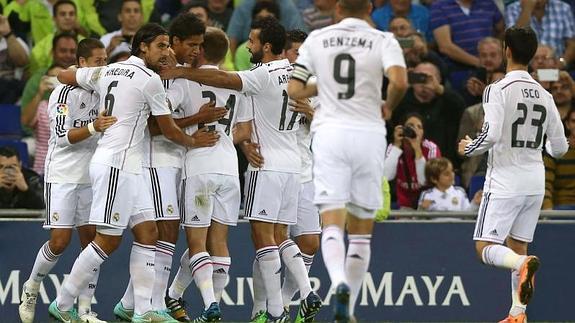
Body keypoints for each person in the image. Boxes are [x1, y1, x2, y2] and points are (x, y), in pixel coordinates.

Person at [48, 23, 218, 323]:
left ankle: (141, 310)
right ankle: (62, 304)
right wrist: (193, 141)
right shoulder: (149, 80)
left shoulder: (108, 70)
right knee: (107, 241)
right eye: (161, 46)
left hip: (128, 166)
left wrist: (77, 82)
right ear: (144, 47)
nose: (166, 53)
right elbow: (166, 128)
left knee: (148, 232)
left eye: (167, 46)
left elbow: (64, 75)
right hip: (116, 165)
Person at [161, 16, 322, 323]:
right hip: (290, 168)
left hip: (261, 165)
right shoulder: (298, 77)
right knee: (276, 237)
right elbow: (244, 126)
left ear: (268, 46)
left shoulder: (257, 77)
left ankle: (274, 310)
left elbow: (224, 81)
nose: (248, 45)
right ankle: (304, 292)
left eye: (252, 41)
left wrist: (181, 72)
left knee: (258, 240)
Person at [287, 0, 408, 321]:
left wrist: (324, 84)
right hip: (368, 134)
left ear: (338, 9)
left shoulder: (317, 39)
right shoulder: (384, 40)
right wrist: (389, 106)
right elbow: (399, 81)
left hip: (329, 135)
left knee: (331, 222)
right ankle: (349, 306)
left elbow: (294, 89)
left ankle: (338, 281)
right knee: (360, 233)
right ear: (369, 8)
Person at [458, 26, 568, 323]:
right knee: (517, 243)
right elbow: (559, 148)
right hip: (535, 181)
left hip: (505, 179)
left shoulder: (498, 89)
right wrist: (535, 143)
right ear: (531, 54)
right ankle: (518, 313)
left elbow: (490, 135)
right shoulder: (545, 95)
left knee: (485, 248)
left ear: (506, 50)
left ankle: (522, 264)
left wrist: (469, 147)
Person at [110, 13, 207, 323]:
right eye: (190, 44)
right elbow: (153, 126)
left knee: (168, 232)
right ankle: (151, 305)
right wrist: (195, 124)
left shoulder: (178, 73)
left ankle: (131, 303)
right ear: (174, 43)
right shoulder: (158, 74)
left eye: (200, 46)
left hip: (174, 161)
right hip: (154, 160)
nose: (195, 51)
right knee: (163, 231)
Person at [18, 39, 112, 323]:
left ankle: (84, 310)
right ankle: (32, 287)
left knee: (91, 245)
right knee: (59, 241)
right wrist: (95, 126)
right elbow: (61, 137)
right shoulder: (62, 92)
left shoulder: (106, 89)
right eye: (97, 61)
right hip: (62, 175)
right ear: (82, 64)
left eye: (105, 60)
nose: (103, 66)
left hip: (92, 175)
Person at [164, 26, 252, 322]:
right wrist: (224, 138)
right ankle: (177, 296)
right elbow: (244, 129)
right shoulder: (235, 84)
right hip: (229, 169)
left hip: (198, 166)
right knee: (220, 243)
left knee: (197, 243)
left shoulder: (184, 80)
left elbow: (164, 120)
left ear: (200, 49)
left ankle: (211, 305)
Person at [280, 29, 323, 322]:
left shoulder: (316, 88)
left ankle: (284, 305)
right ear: (284, 53)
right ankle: (269, 309)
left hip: (306, 172)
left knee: (309, 243)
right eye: (296, 52)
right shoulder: (270, 79)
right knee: (272, 242)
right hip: (276, 171)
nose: (300, 58)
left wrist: (311, 113)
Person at [385, 113, 441, 209]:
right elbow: (386, 176)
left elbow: (424, 181)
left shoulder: (431, 148)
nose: (415, 129)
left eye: (419, 127)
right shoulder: (394, 147)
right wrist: (397, 146)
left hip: (429, 204)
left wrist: (417, 150)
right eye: (410, 126)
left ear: (423, 132)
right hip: (404, 205)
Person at [505, 0, 575, 57]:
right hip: (526, 67)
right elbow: (513, 41)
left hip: (555, 65)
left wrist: (562, 62)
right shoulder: (512, 9)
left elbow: (571, 43)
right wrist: (526, 10)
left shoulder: (563, 8)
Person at [543, 108, 575, 210]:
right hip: (561, 209)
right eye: (574, 121)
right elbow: (545, 185)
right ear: (567, 124)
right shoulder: (555, 150)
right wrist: (549, 214)